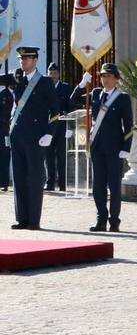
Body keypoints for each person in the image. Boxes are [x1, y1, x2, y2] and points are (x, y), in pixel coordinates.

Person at [69, 63, 134, 232]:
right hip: (97, 146)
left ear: (116, 79)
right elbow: (73, 101)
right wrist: (81, 85)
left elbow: (128, 125)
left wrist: (126, 147)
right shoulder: (96, 93)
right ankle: (101, 220)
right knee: (98, 186)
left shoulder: (122, 98)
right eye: (103, 76)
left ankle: (114, 221)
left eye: (109, 76)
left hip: (114, 148)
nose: (105, 80)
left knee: (114, 186)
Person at [3, 47, 59, 229]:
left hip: (36, 136)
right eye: (21, 59)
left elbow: (55, 110)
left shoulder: (44, 82)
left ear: (35, 60)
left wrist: (50, 133)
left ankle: (34, 220)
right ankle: (22, 219)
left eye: (26, 59)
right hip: (17, 134)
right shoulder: (16, 79)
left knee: (34, 177)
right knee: (19, 177)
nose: (23, 62)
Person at [44, 64, 72, 192]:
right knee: (48, 155)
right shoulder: (45, 87)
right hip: (49, 127)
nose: (53, 76)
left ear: (59, 74)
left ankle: (62, 183)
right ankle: (50, 182)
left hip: (61, 126)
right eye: (50, 73)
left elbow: (71, 106)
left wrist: (69, 127)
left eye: (55, 73)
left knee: (61, 156)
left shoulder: (65, 88)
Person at [0, 74, 13, 192]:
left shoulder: (5, 95)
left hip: (4, 129)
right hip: (4, 129)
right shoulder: (5, 93)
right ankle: (3, 182)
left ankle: (3, 182)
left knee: (4, 155)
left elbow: (5, 113)